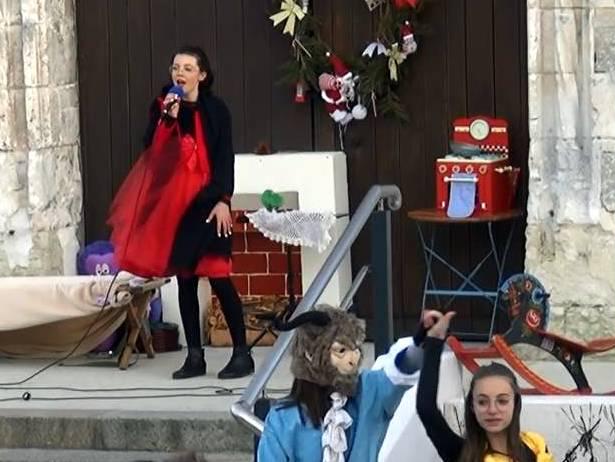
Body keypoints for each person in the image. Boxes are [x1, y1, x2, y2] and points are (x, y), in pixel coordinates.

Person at [108, 45, 253, 380]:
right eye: (176, 67)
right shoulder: (164, 105)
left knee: (219, 276)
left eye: (188, 68)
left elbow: (225, 157)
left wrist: (224, 200)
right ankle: (195, 357)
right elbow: (152, 152)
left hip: (211, 203)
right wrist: (167, 119)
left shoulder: (217, 110)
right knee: (186, 280)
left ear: (202, 75)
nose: (180, 73)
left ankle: (242, 354)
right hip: (180, 206)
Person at [256, 306, 439, 462]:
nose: (353, 359)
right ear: (310, 355)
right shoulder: (283, 419)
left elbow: (401, 370)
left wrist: (422, 340)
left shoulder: (369, 390)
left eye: (356, 348)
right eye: (341, 350)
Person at [416, 311, 554, 462]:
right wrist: (434, 341)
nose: (492, 410)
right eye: (482, 402)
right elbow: (426, 408)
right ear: (472, 406)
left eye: (502, 401)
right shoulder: (463, 454)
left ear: (515, 403)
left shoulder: (535, 445)